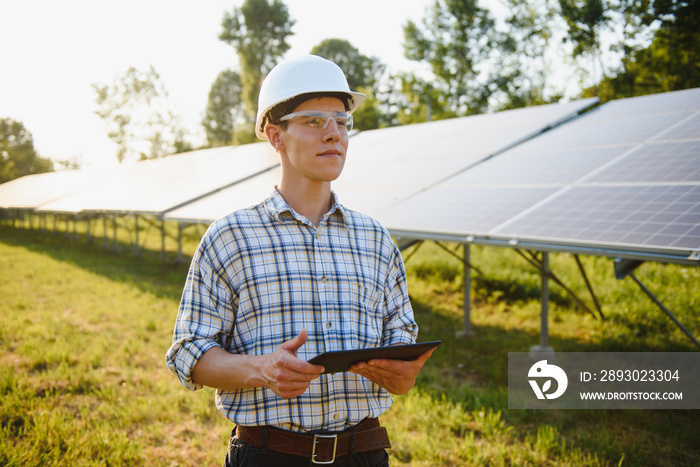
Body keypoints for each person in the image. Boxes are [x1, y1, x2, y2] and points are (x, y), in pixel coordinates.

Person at [166, 54, 435, 466]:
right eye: (313, 122)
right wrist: (261, 369)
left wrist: (402, 372)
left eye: (342, 123)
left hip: (364, 453)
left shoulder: (376, 239)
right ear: (276, 136)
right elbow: (190, 353)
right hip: (269, 455)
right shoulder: (230, 237)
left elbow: (401, 339)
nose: (334, 135)